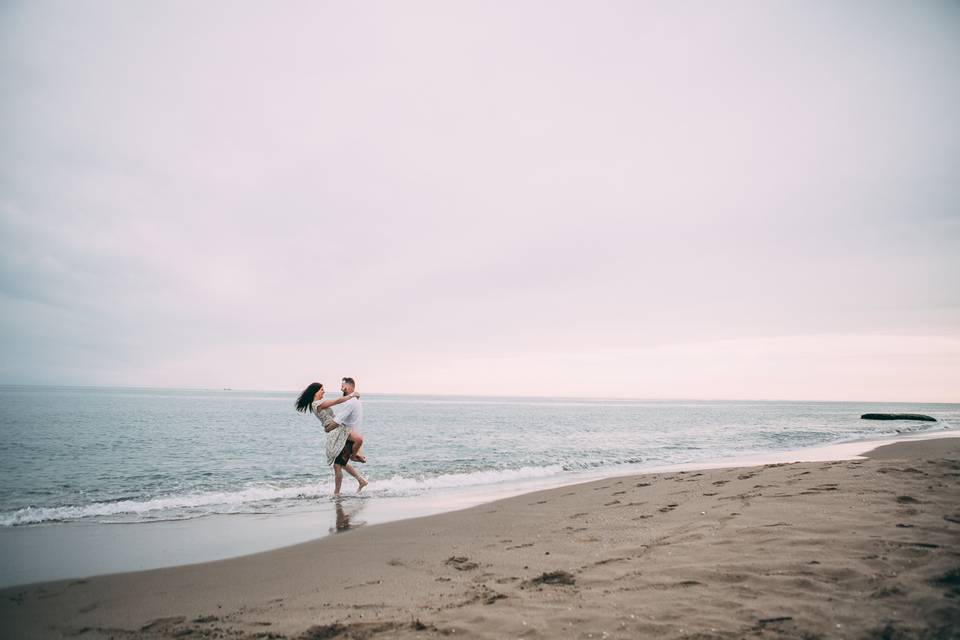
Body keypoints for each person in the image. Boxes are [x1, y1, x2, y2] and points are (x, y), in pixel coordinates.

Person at [295, 381, 368, 495]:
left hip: (338, 429)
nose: (324, 391)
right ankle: (344, 487)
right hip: (335, 431)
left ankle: (352, 482)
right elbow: (337, 401)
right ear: (315, 392)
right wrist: (351, 395)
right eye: (321, 389)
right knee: (339, 463)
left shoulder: (318, 403)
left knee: (340, 463)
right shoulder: (317, 404)